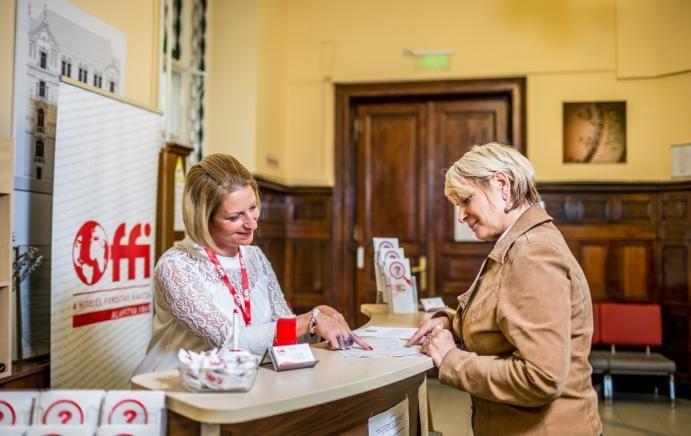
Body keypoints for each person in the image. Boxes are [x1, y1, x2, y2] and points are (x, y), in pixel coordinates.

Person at [406, 143, 602, 435]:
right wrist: (448, 320)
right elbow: (500, 320)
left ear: (502, 186)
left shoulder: (533, 254)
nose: (461, 216)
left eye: (466, 200)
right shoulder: (518, 244)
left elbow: (541, 377)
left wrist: (451, 360)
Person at [135, 153, 368, 375]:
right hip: (179, 389)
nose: (252, 224)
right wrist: (308, 321)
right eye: (234, 217)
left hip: (243, 384)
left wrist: (319, 321)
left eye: (253, 207)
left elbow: (282, 327)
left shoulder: (254, 256)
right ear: (203, 219)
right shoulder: (177, 266)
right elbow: (229, 340)